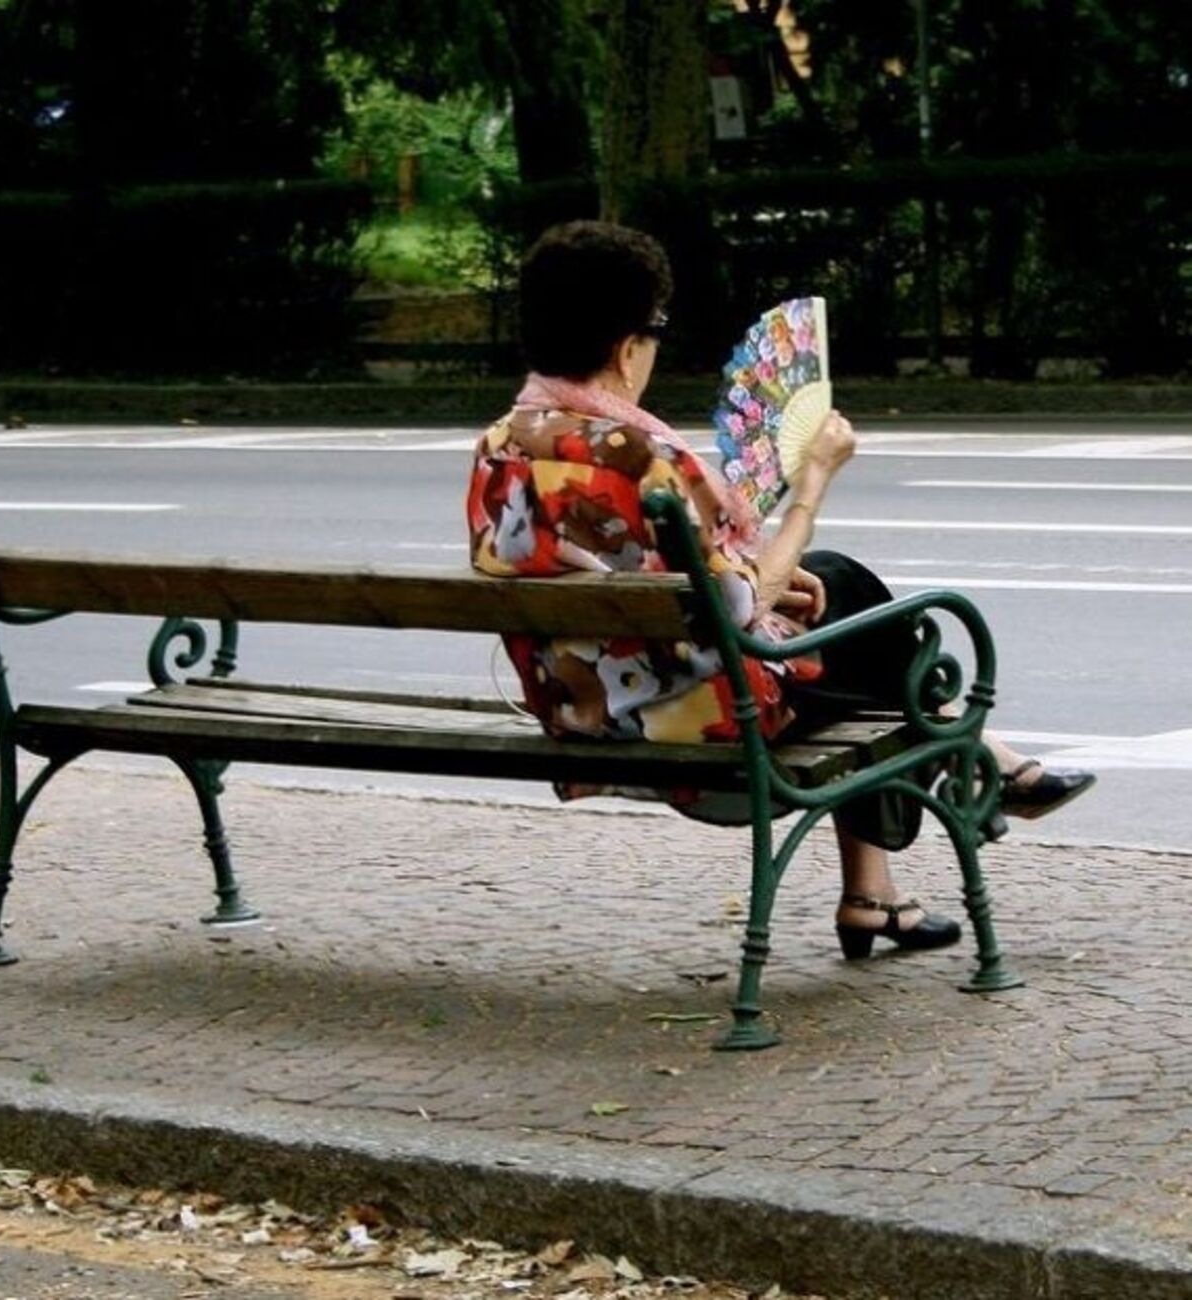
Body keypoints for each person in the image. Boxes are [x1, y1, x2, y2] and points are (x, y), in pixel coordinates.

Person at [466, 220, 1095, 958]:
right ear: (625, 347)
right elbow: (737, 612)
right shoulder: (640, 457)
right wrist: (812, 483)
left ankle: (886, 883)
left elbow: (678, 587)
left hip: (578, 707)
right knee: (869, 621)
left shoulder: (499, 445)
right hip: (693, 721)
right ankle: (977, 758)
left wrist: (768, 578)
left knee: (836, 588)